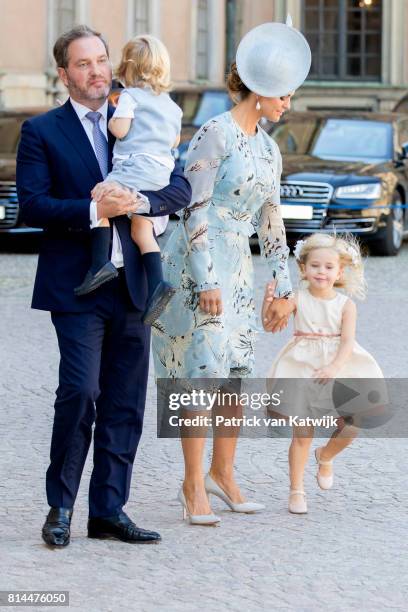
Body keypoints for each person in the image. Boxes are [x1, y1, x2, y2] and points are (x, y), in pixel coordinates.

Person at [16, 25, 191, 546]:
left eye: (101, 60)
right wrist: (95, 208)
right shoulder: (42, 131)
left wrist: (144, 204)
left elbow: (177, 184)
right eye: (84, 63)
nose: (96, 70)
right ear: (64, 74)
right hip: (78, 286)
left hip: (135, 285)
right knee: (81, 391)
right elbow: (32, 204)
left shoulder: (143, 111)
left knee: (125, 400)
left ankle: (109, 509)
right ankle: (61, 506)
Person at [152, 20, 311, 525]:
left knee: (235, 377)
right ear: (260, 90)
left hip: (239, 267)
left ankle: (224, 473)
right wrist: (207, 280)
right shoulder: (213, 133)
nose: (288, 102)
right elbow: (191, 209)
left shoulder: (269, 148)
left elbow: (271, 221)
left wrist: (285, 288)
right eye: (283, 94)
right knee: (202, 374)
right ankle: (192, 485)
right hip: (200, 265)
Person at [267, 233, 384, 514]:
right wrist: (269, 301)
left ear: (340, 271)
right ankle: (296, 490)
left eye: (329, 267)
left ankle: (326, 455)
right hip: (303, 366)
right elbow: (270, 320)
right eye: (315, 266)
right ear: (304, 269)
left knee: (352, 424)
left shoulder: (346, 305)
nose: (322, 272)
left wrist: (333, 367)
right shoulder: (297, 298)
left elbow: (347, 342)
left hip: (337, 365)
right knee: (302, 433)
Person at [75, 35, 182, 325]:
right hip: (159, 173)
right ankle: (158, 284)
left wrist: (112, 123)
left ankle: (100, 263)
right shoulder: (172, 106)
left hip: (134, 168)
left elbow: (121, 130)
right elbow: (174, 140)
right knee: (141, 229)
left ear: (129, 67)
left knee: (98, 200)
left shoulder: (131, 97)